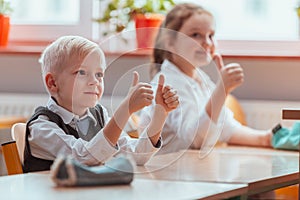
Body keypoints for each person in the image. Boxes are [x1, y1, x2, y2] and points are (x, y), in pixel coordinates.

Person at [23, 35, 179, 172]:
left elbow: (136, 155)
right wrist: (125, 110)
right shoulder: (40, 128)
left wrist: (160, 113)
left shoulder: (99, 115)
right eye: (81, 72)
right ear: (53, 83)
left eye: (99, 74)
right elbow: (85, 159)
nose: (94, 81)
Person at [139, 3, 273, 155]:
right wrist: (222, 90)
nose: (208, 43)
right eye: (196, 35)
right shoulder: (168, 84)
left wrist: (267, 138)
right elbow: (196, 139)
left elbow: (225, 128)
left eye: (211, 35)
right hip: (167, 174)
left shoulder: (200, 80)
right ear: (170, 43)